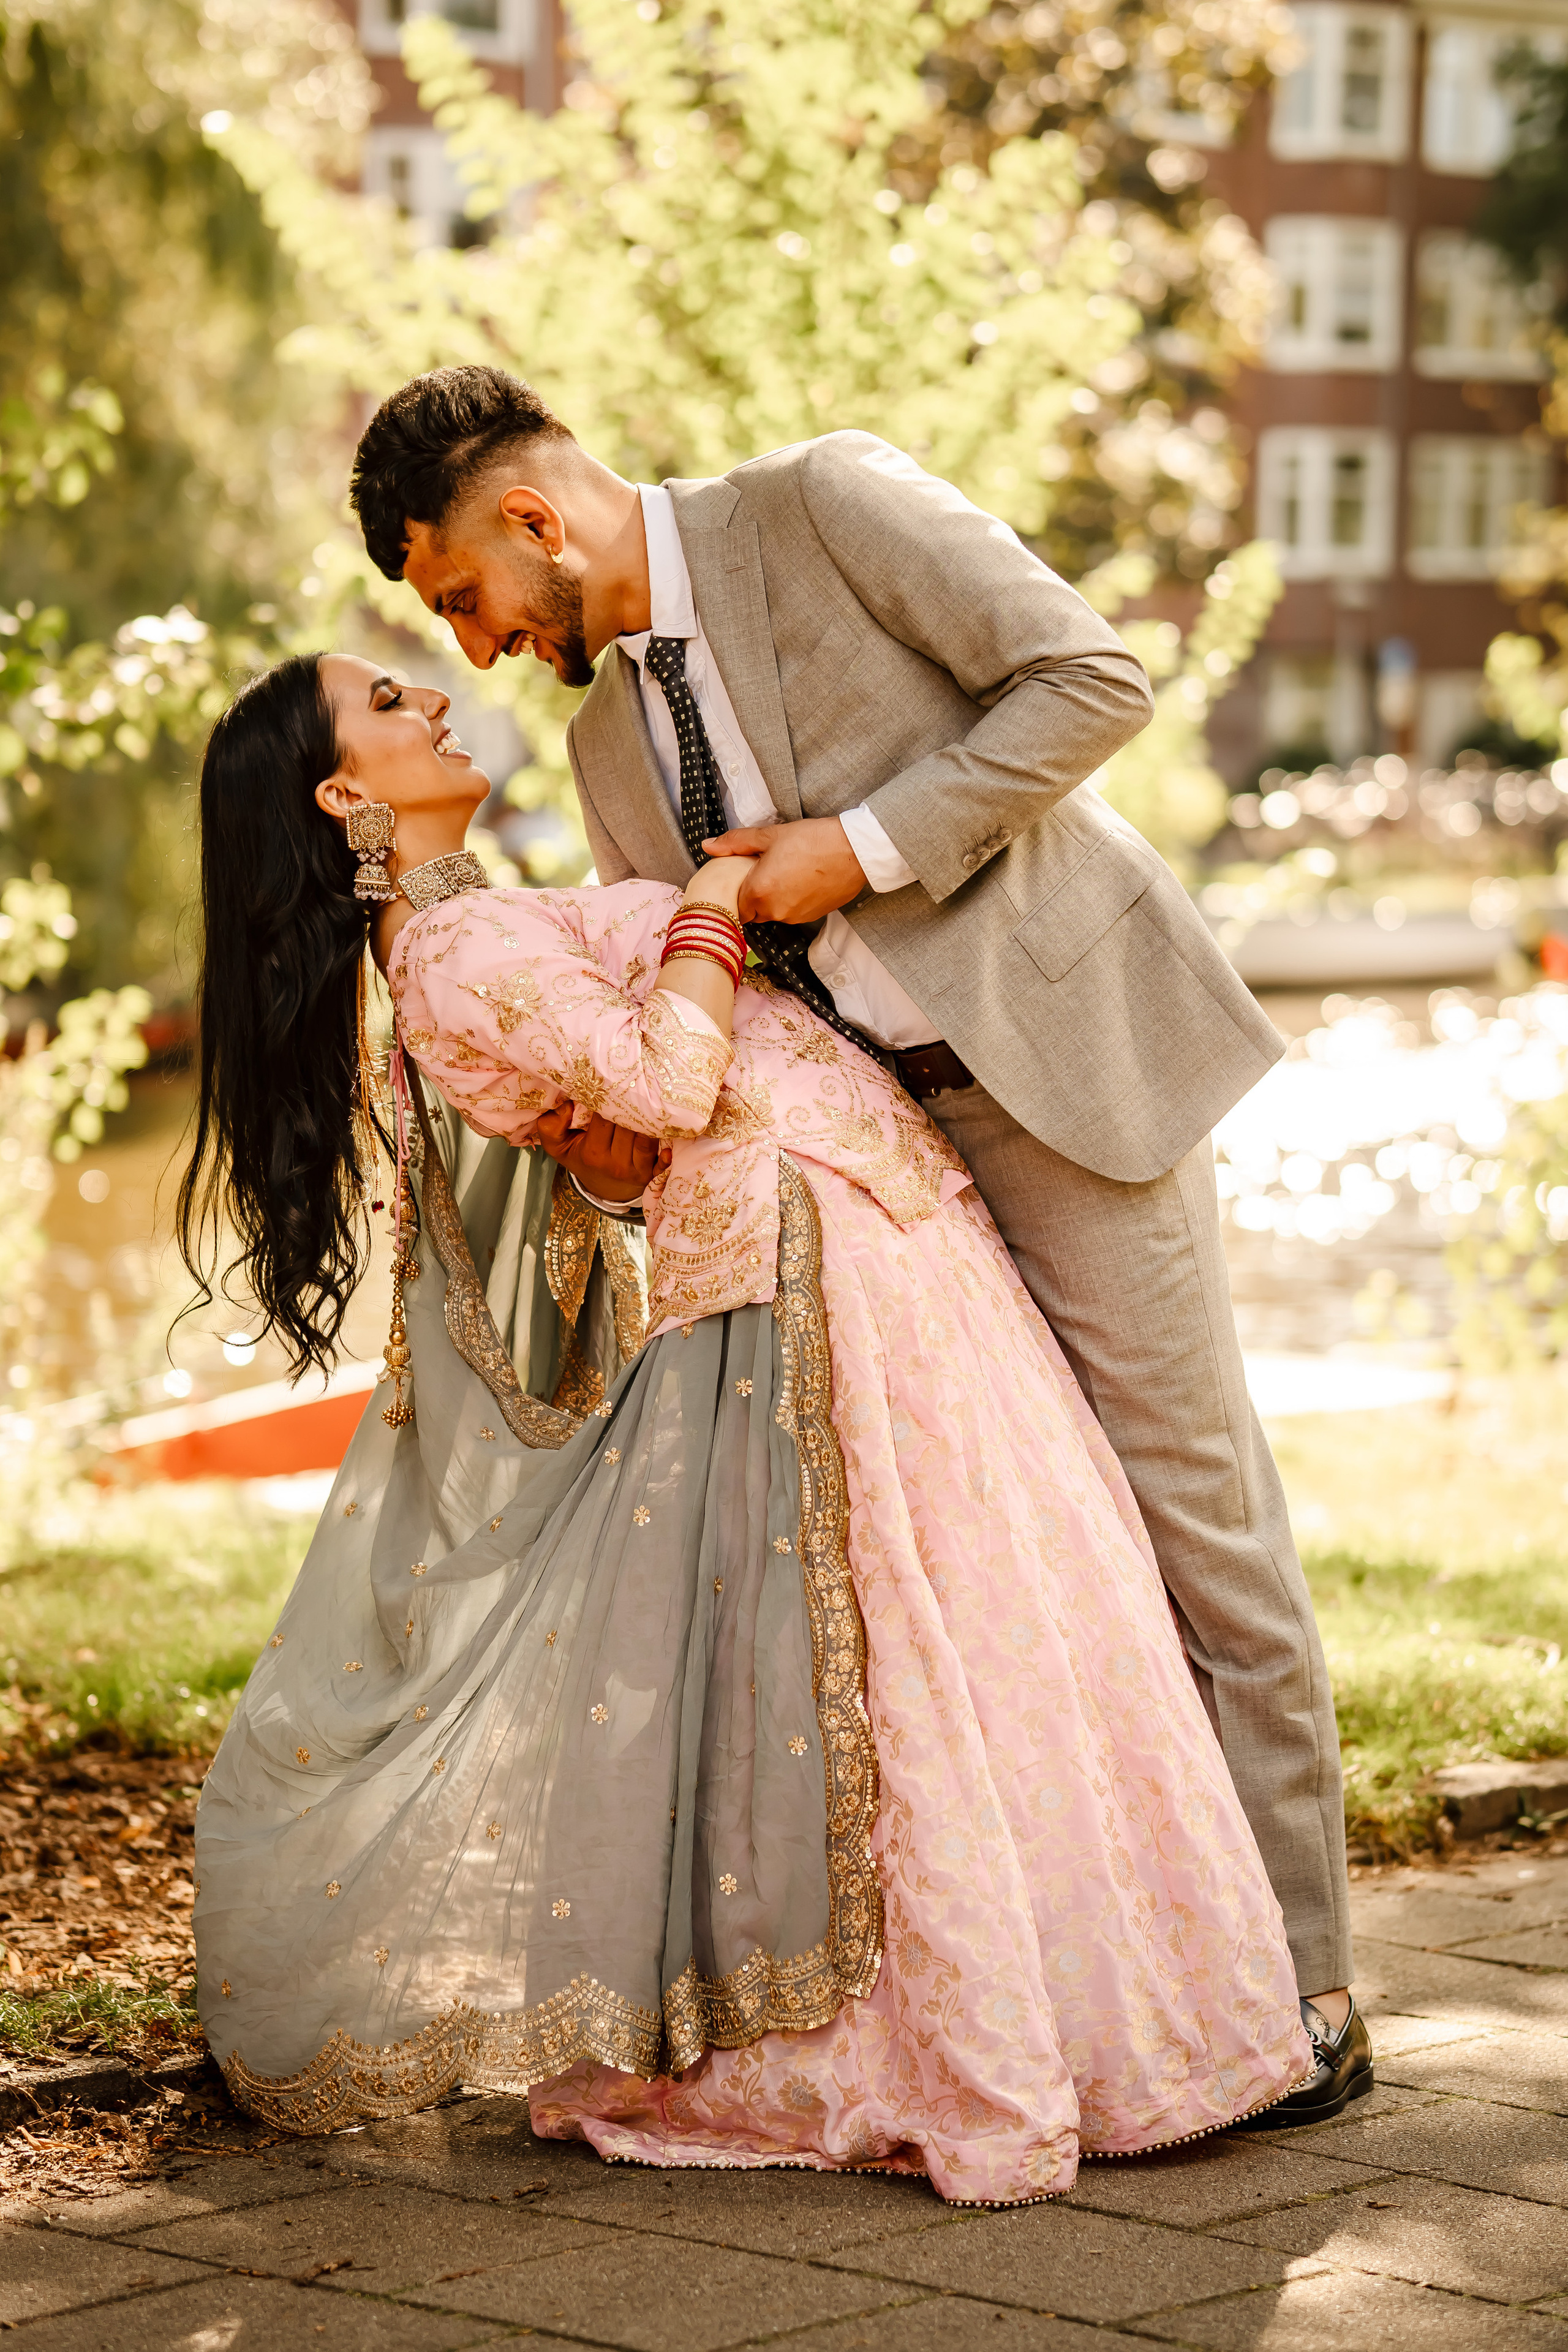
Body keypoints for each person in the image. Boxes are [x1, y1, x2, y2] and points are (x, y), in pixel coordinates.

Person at [345, 366, 1370, 2122]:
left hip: (1063, 1080)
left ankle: (1307, 1989)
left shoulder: (825, 498)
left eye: (462, 599)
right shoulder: (609, 752)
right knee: (1059, 1567)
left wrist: (860, 850)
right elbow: (698, 1011)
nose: (483, 646)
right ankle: (1143, 1983)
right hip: (895, 1198)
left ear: (529, 519)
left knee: (1197, 1523)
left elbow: (1091, 678)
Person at [184, 651, 1316, 2204]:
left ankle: (1098, 2007)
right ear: (339, 795)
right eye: (388, 700)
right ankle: (959, 2037)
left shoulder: (469, 920)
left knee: (991, 1610)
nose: (434, 693)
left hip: (855, 1212)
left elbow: (616, 1138)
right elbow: (666, 1073)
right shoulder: (441, 952)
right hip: (805, 1245)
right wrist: (718, 902)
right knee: (908, 1641)